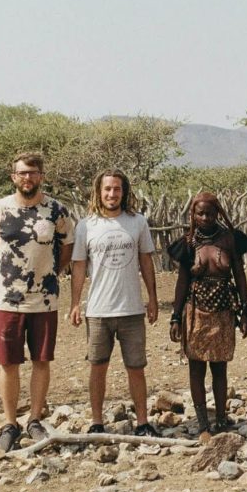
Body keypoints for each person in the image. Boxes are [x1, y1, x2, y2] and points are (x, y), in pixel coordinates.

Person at [0, 152, 75, 451]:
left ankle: (34, 419)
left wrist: (52, 275)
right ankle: (10, 423)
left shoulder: (56, 210)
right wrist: (3, 276)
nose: (27, 178)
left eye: (33, 173)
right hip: (8, 301)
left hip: (44, 300)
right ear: (14, 177)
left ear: (41, 176)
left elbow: (67, 247)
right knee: (8, 362)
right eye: (22, 173)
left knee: (41, 360)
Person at [69, 170, 160, 437]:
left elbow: (146, 261)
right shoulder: (86, 226)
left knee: (136, 367)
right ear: (99, 192)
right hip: (99, 310)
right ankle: (97, 422)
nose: (112, 194)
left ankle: (142, 422)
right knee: (98, 366)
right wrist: (75, 303)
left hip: (132, 309)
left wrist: (153, 298)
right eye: (107, 189)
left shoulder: (137, 222)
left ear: (124, 191)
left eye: (117, 189)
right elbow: (79, 266)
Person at [167, 193, 247, 442]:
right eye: (200, 213)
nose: (205, 218)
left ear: (218, 213)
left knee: (219, 366)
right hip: (196, 311)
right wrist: (175, 317)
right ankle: (203, 423)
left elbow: (239, 275)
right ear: (193, 214)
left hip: (224, 310)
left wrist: (245, 311)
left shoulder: (230, 239)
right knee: (196, 367)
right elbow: (182, 282)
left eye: (210, 213)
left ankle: (222, 419)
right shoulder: (188, 242)